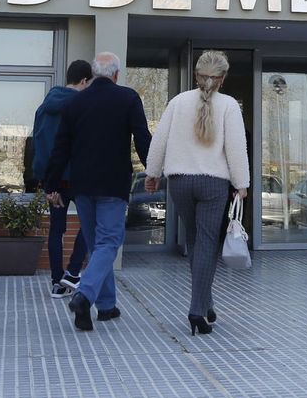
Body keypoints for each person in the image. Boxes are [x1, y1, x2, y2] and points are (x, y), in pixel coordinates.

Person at [143, 50, 249, 336]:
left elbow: (159, 140)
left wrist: (152, 174)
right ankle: (197, 309)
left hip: (180, 182)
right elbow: (236, 148)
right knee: (206, 243)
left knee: (195, 240)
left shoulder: (178, 102)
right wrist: (242, 183)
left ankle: (206, 301)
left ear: (196, 75)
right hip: (213, 183)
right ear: (222, 78)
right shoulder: (228, 105)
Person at [45, 51, 150, 331]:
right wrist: (154, 169)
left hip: (81, 185)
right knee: (108, 243)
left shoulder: (75, 103)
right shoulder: (128, 98)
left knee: (96, 245)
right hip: (113, 184)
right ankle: (84, 296)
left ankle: (106, 306)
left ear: (93, 75)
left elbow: (60, 148)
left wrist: (52, 184)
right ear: (116, 75)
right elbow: (142, 138)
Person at [31, 58, 93, 298]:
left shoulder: (44, 107)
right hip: (79, 178)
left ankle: (57, 282)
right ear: (85, 80)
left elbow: (38, 144)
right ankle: (73, 273)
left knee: (56, 230)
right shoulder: (83, 106)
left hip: (54, 180)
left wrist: (48, 181)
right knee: (90, 225)